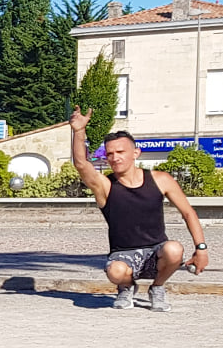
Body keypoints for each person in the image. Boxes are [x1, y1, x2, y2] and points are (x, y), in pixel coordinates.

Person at [70, 107, 209, 310]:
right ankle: (126, 288)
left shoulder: (161, 179)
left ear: (135, 153)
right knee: (115, 272)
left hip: (156, 252)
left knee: (174, 249)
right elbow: (82, 164)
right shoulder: (105, 186)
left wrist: (201, 248)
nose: (115, 157)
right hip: (123, 254)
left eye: (120, 152)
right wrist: (79, 131)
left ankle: (158, 288)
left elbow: (188, 213)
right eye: (110, 154)